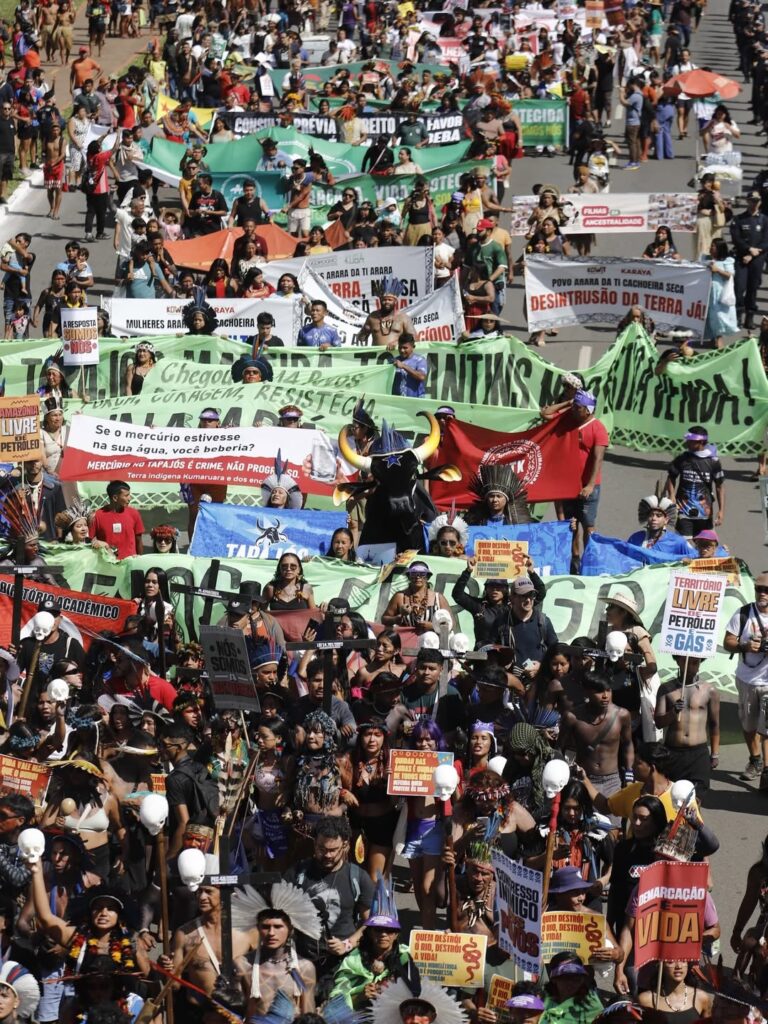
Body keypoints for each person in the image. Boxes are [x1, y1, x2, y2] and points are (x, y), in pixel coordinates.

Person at [560, 671, 634, 800]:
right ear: (586, 692)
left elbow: (627, 745)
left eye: (608, 690)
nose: (605, 696)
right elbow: (560, 748)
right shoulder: (572, 717)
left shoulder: (621, 715)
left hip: (612, 781)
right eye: (599, 691)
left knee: (611, 814)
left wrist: (629, 775)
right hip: (583, 778)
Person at [724, 572, 768, 783]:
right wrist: (745, 645)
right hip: (746, 680)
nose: (763, 593)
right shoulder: (743, 614)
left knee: (766, 728)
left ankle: (766, 770)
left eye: (767, 590)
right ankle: (755, 759)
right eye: (759, 589)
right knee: (749, 726)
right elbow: (728, 642)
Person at [654, 654, 720, 793]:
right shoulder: (666, 689)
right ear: (678, 661)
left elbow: (714, 725)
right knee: (671, 795)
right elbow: (659, 722)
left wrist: (715, 753)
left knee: (696, 796)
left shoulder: (710, 690)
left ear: (700, 663)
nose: (690, 666)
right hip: (672, 752)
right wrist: (673, 713)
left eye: (695, 662)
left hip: (698, 753)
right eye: (686, 661)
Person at [560, 390, 610, 573]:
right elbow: (546, 413)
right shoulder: (570, 421)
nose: (574, 409)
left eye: (578, 407)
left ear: (588, 410)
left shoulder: (598, 428)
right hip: (569, 486)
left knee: (588, 526)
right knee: (571, 525)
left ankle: (589, 560)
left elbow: (598, 459)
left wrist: (590, 485)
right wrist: (568, 403)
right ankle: (574, 561)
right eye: (574, 406)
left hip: (589, 487)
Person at [664, 426, 725, 534]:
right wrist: (671, 495)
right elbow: (671, 477)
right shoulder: (682, 459)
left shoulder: (713, 462)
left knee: (704, 543)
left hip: (705, 513)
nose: (687, 443)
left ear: (701, 442)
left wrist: (721, 511)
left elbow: (719, 487)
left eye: (691, 441)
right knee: (683, 542)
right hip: (682, 511)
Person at [730, 191, 768, 331]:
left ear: (760, 202)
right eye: (752, 200)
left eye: (757, 200)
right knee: (739, 288)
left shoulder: (764, 220)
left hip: (757, 259)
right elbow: (736, 238)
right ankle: (738, 315)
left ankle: (749, 317)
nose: (755, 203)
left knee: (753, 288)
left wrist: (753, 254)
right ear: (747, 201)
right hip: (741, 258)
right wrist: (748, 249)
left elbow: (766, 241)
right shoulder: (739, 219)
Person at [89, 480, 144, 558]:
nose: (129, 498)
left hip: (131, 562)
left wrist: (140, 559)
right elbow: (90, 541)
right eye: (126, 495)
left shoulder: (134, 513)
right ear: (115, 498)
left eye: (129, 495)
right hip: (107, 562)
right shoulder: (97, 516)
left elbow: (139, 540)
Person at [626, 494, 692, 556]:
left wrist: (686, 560)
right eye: (651, 515)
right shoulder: (635, 538)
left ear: (666, 520)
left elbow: (694, 557)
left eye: (658, 515)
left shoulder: (677, 541)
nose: (654, 518)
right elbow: (624, 558)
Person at [703, 238, 738, 349]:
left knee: (718, 316)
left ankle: (719, 339)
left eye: (713, 246)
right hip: (707, 292)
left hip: (719, 293)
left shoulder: (727, 261)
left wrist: (717, 270)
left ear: (719, 248)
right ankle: (713, 338)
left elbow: (730, 275)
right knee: (709, 315)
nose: (710, 248)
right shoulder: (705, 259)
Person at [391, 334, 427, 398]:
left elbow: (421, 376)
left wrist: (403, 366)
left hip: (416, 401)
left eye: (405, 348)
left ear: (413, 347)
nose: (402, 350)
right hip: (397, 401)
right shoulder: (394, 361)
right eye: (400, 347)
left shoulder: (420, 360)